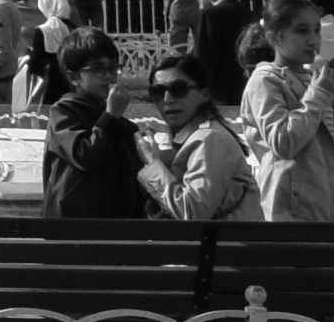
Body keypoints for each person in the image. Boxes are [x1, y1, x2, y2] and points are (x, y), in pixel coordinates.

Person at [243, 0, 334, 226]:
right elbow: (282, 142)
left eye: (316, 30)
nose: (312, 40)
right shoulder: (266, 81)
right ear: (274, 37)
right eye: (301, 31)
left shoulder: (315, 77)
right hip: (293, 212)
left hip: (330, 204)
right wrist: (319, 94)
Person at [33, 33, 154, 220]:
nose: (108, 77)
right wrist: (111, 116)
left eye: (113, 69)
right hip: (71, 223)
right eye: (98, 69)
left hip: (113, 224)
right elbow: (85, 156)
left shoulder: (117, 121)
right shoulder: (64, 112)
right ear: (74, 78)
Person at [141, 54, 261, 221]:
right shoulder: (188, 138)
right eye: (158, 92)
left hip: (225, 244)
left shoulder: (211, 139)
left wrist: (152, 164)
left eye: (178, 89)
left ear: (204, 95)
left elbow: (191, 214)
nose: (167, 99)